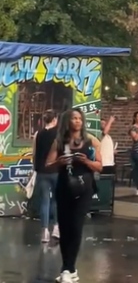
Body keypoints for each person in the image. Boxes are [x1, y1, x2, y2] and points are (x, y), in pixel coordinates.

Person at [44, 108, 102, 283]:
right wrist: (58, 162)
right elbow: (47, 165)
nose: (77, 121)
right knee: (65, 228)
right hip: (64, 187)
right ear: (67, 122)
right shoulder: (59, 142)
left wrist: (87, 161)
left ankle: (68, 269)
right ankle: (68, 268)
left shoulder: (91, 140)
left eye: (79, 118)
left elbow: (100, 166)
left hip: (84, 188)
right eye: (73, 118)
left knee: (76, 227)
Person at [32, 110, 58, 243]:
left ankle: (44, 232)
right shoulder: (59, 134)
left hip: (42, 172)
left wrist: (35, 169)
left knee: (44, 201)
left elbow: (34, 154)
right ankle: (56, 228)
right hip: (56, 171)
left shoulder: (38, 134)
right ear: (55, 119)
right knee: (56, 200)